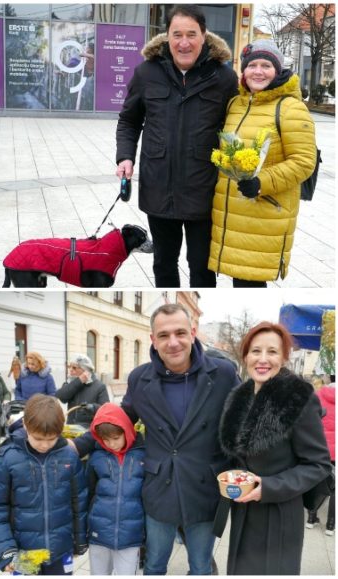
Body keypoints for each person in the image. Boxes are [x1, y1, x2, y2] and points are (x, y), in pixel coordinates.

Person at [72, 302, 240, 574]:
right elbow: (121, 419)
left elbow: (244, 421)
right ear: (153, 339)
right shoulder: (140, 378)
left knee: (201, 566)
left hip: (204, 489)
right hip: (160, 489)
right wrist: (77, 444)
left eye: (180, 333)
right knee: (153, 565)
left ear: (193, 332)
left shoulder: (222, 373)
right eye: (163, 335)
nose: (173, 342)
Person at [115, 5, 238, 288]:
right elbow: (129, 121)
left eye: (192, 34)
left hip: (204, 191)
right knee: (164, 264)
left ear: (204, 36)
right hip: (159, 189)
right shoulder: (146, 73)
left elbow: (239, 128)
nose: (184, 42)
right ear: (166, 36)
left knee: (203, 269)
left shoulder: (224, 79)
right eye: (177, 34)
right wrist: (125, 156)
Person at [217, 322, 330, 574]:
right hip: (243, 512)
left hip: (279, 515)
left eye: (272, 352)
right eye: (256, 351)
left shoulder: (297, 397)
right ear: (245, 355)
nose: (263, 359)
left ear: (284, 357)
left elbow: (319, 464)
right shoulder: (239, 395)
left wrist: (266, 488)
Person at [207, 40, 317, 287]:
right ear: (243, 71)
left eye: (266, 65)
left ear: (277, 71)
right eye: (252, 65)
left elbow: (304, 161)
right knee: (240, 280)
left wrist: (260, 182)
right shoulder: (236, 104)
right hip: (232, 214)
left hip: (263, 211)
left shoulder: (290, 108)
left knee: (251, 284)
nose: (258, 71)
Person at [0, 395, 88, 575]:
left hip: (60, 551)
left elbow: (79, 503)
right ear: (26, 426)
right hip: (24, 554)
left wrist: (79, 541)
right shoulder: (6, 459)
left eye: (51, 439)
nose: (44, 445)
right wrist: (5, 552)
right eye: (38, 438)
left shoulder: (69, 457)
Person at [85, 403, 146, 575]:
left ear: (126, 430)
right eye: (106, 439)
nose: (111, 444)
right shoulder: (96, 457)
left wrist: (146, 534)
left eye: (116, 438)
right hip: (99, 533)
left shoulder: (143, 454)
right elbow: (87, 493)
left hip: (131, 536)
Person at [308, 378, 335, 535]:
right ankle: (331, 525)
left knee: (316, 479)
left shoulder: (318, 396)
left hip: (320, 447)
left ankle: (311, 518)